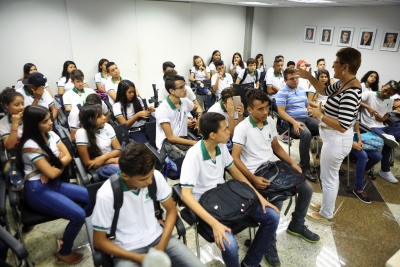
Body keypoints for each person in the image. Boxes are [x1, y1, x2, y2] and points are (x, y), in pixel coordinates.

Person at [232, 89, 319, 267]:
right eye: (260, 109)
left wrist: (292, 163)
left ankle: (297, 224)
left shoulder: (270, 121)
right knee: (276, 202)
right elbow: (235, 157)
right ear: (249, 109)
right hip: (256, 172)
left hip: (273, 167)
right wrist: (252, 179)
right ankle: (268, 243)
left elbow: (276, 147)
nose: (265, 112)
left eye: (266, 107)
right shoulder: (242, 128)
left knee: (306, 189)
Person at [180, 112, 280, 267]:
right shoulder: (194, 156)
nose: (229, 132)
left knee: (272, 216)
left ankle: (250, 263)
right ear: (213, 135)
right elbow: (186, 196)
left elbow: (236, 173)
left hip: (226, 195)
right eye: (225, 129)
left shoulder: (221, 147)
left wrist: (259, 198)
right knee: (231, 246)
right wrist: (214, 224)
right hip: (207, 204)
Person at [92, 142, 204, 267]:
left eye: (150, 175)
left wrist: (162, 245)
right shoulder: (107, 194)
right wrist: (137, 257)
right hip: (127, 249)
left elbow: (172, 211)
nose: (149, 181)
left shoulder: (155, 177)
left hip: (158, 239)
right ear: (125, 176)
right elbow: (99, 241)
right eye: (143, 179)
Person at [16, 105, 91, 265]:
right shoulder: (30, 146)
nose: (51, 122)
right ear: (34, 125)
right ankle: (64, 253)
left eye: (50, 118)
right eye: (45, 121)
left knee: (91, 197)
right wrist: (56, 164)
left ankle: (67, 237)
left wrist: (52, 165)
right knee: (78, 215)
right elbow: (54, 171)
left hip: (53, 184)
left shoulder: (49, 133)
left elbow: (69, 156)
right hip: (38, 190)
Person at [298, 47, 362, 224]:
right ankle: (326, 204)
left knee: (329, 177)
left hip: (337, 140)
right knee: (327, 175)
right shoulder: (342, 83)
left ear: (345, 66)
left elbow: (342, 125)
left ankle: (327, 213)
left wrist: (320, 115)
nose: (332, 65)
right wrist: (310, 77)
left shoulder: (352, 90)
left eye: (336, 62)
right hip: (331, 138)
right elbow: (325, 91)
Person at [276, 68, 319, 182]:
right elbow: (281, 112)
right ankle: (305, 168)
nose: (295, 80)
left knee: (324, 128)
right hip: (292, 120)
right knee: (306, 134)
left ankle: (326, 162)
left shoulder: (300, 89)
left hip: (305, 117)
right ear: (285, 80)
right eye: (292, 79)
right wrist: (294, 122)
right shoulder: (282, 92)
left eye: (296, 78)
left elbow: (306, 106)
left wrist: (312, 111)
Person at [155, 74, 201, 171]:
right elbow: (170, 138)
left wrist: (199, 117)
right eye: (181, 87)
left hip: (183, 138)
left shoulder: (184, 101)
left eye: (184, 85)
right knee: (191, 162)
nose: (185, 89)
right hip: (167, 144)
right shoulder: (163, 109)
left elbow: (197, 107)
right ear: (171, 91)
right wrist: (194, 142)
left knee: (201, 156)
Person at [359, 80, 400, 184]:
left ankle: (390, 137)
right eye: (385, 90)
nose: (386, 94)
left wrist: (383, 118)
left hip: (382, 126)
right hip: (369, 126)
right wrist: (368, 107)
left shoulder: (390, 100)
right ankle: (385, 170)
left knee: (389, 137)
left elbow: (388, 113)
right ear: (382, 86)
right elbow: (354, 99)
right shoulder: (369, 94)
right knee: (388, 139)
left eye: (390, 93)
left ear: (393, 94)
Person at [76, 104, 121, 179]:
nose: (104, 118)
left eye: (103, 114)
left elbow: (118, 149)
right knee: (126, 173)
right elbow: (88, 162)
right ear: (90, 120)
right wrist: (112, 160)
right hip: (101, 166)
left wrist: (104, 157)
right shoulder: (81, 133)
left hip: (112, 158)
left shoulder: (107, 126)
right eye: (99, 116)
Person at [350, 121, 382, 204]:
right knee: (363, 156)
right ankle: (358, 188)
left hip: (355, 139)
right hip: (344, 140)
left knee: (378, 156)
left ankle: (361, 172)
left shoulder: (355, 110)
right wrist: (351, 143)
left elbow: (357, 129)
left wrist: (360, 141)